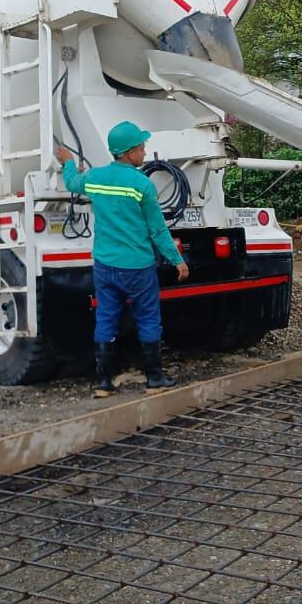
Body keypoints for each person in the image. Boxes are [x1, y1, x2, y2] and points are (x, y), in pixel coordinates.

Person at [57, 121, 189, 398]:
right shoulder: (142, 184)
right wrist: (177, 260)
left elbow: (71, 182)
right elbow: (157, 230)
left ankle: (104, 383)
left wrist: (68, 162)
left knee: (106, 318)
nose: (144, 152)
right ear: (129, 153)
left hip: (105, 266)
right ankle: (154, 379)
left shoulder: (95, 178)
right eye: (142, 148)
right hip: (137, 267)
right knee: (149, 318)